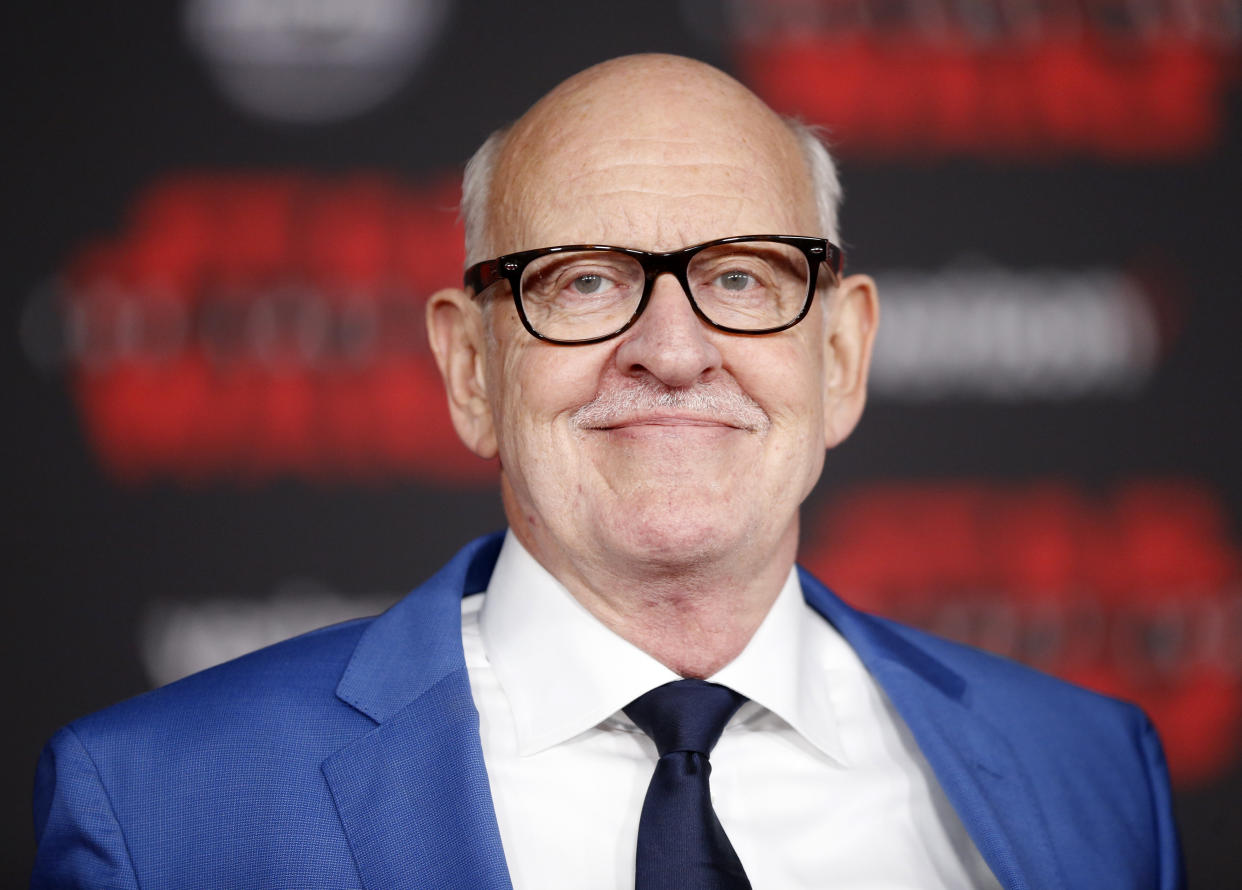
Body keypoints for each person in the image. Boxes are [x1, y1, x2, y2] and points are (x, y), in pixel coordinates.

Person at [32, 54, 1183, 889]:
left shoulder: (1090, 772)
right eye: (581, 280)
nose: (672, 349)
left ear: (839, 356)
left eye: (741, 276)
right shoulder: (161, 808)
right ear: (472, 365)